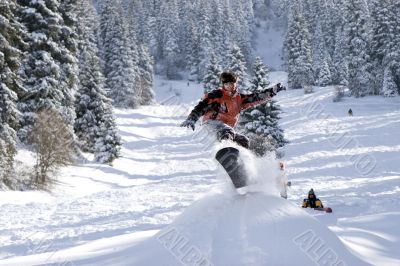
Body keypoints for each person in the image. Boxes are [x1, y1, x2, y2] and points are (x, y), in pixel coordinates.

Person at [180, 71, 285, 148]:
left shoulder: (240, 99)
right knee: (227, 132)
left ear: (235, 83)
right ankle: (226, 150)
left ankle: (239, 163)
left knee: (243, 141)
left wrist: (273, 90)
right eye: (226, 84)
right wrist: (192, 118)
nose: (229, 86)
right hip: (212, 123)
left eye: (231, 83)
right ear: (223, 85)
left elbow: (257, 97)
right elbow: (202, 106)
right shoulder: (217, 95)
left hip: (226, 129)